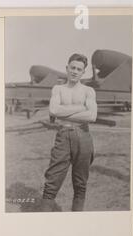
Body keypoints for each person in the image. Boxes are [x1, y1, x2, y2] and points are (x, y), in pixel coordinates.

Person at [41, 53, 97, 212]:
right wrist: (81, 108)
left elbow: (92, 116)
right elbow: (53, 110)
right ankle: (42, 223)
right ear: (67, 68)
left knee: (80, 183)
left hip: (83, 136)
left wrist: (62, 111)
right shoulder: (58, 89)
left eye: (79, 69)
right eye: (72, 67)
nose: (75, 71)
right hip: (63, 135)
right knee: (52, 180)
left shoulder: (88, 91)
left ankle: (77, 221)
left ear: (83, 72)